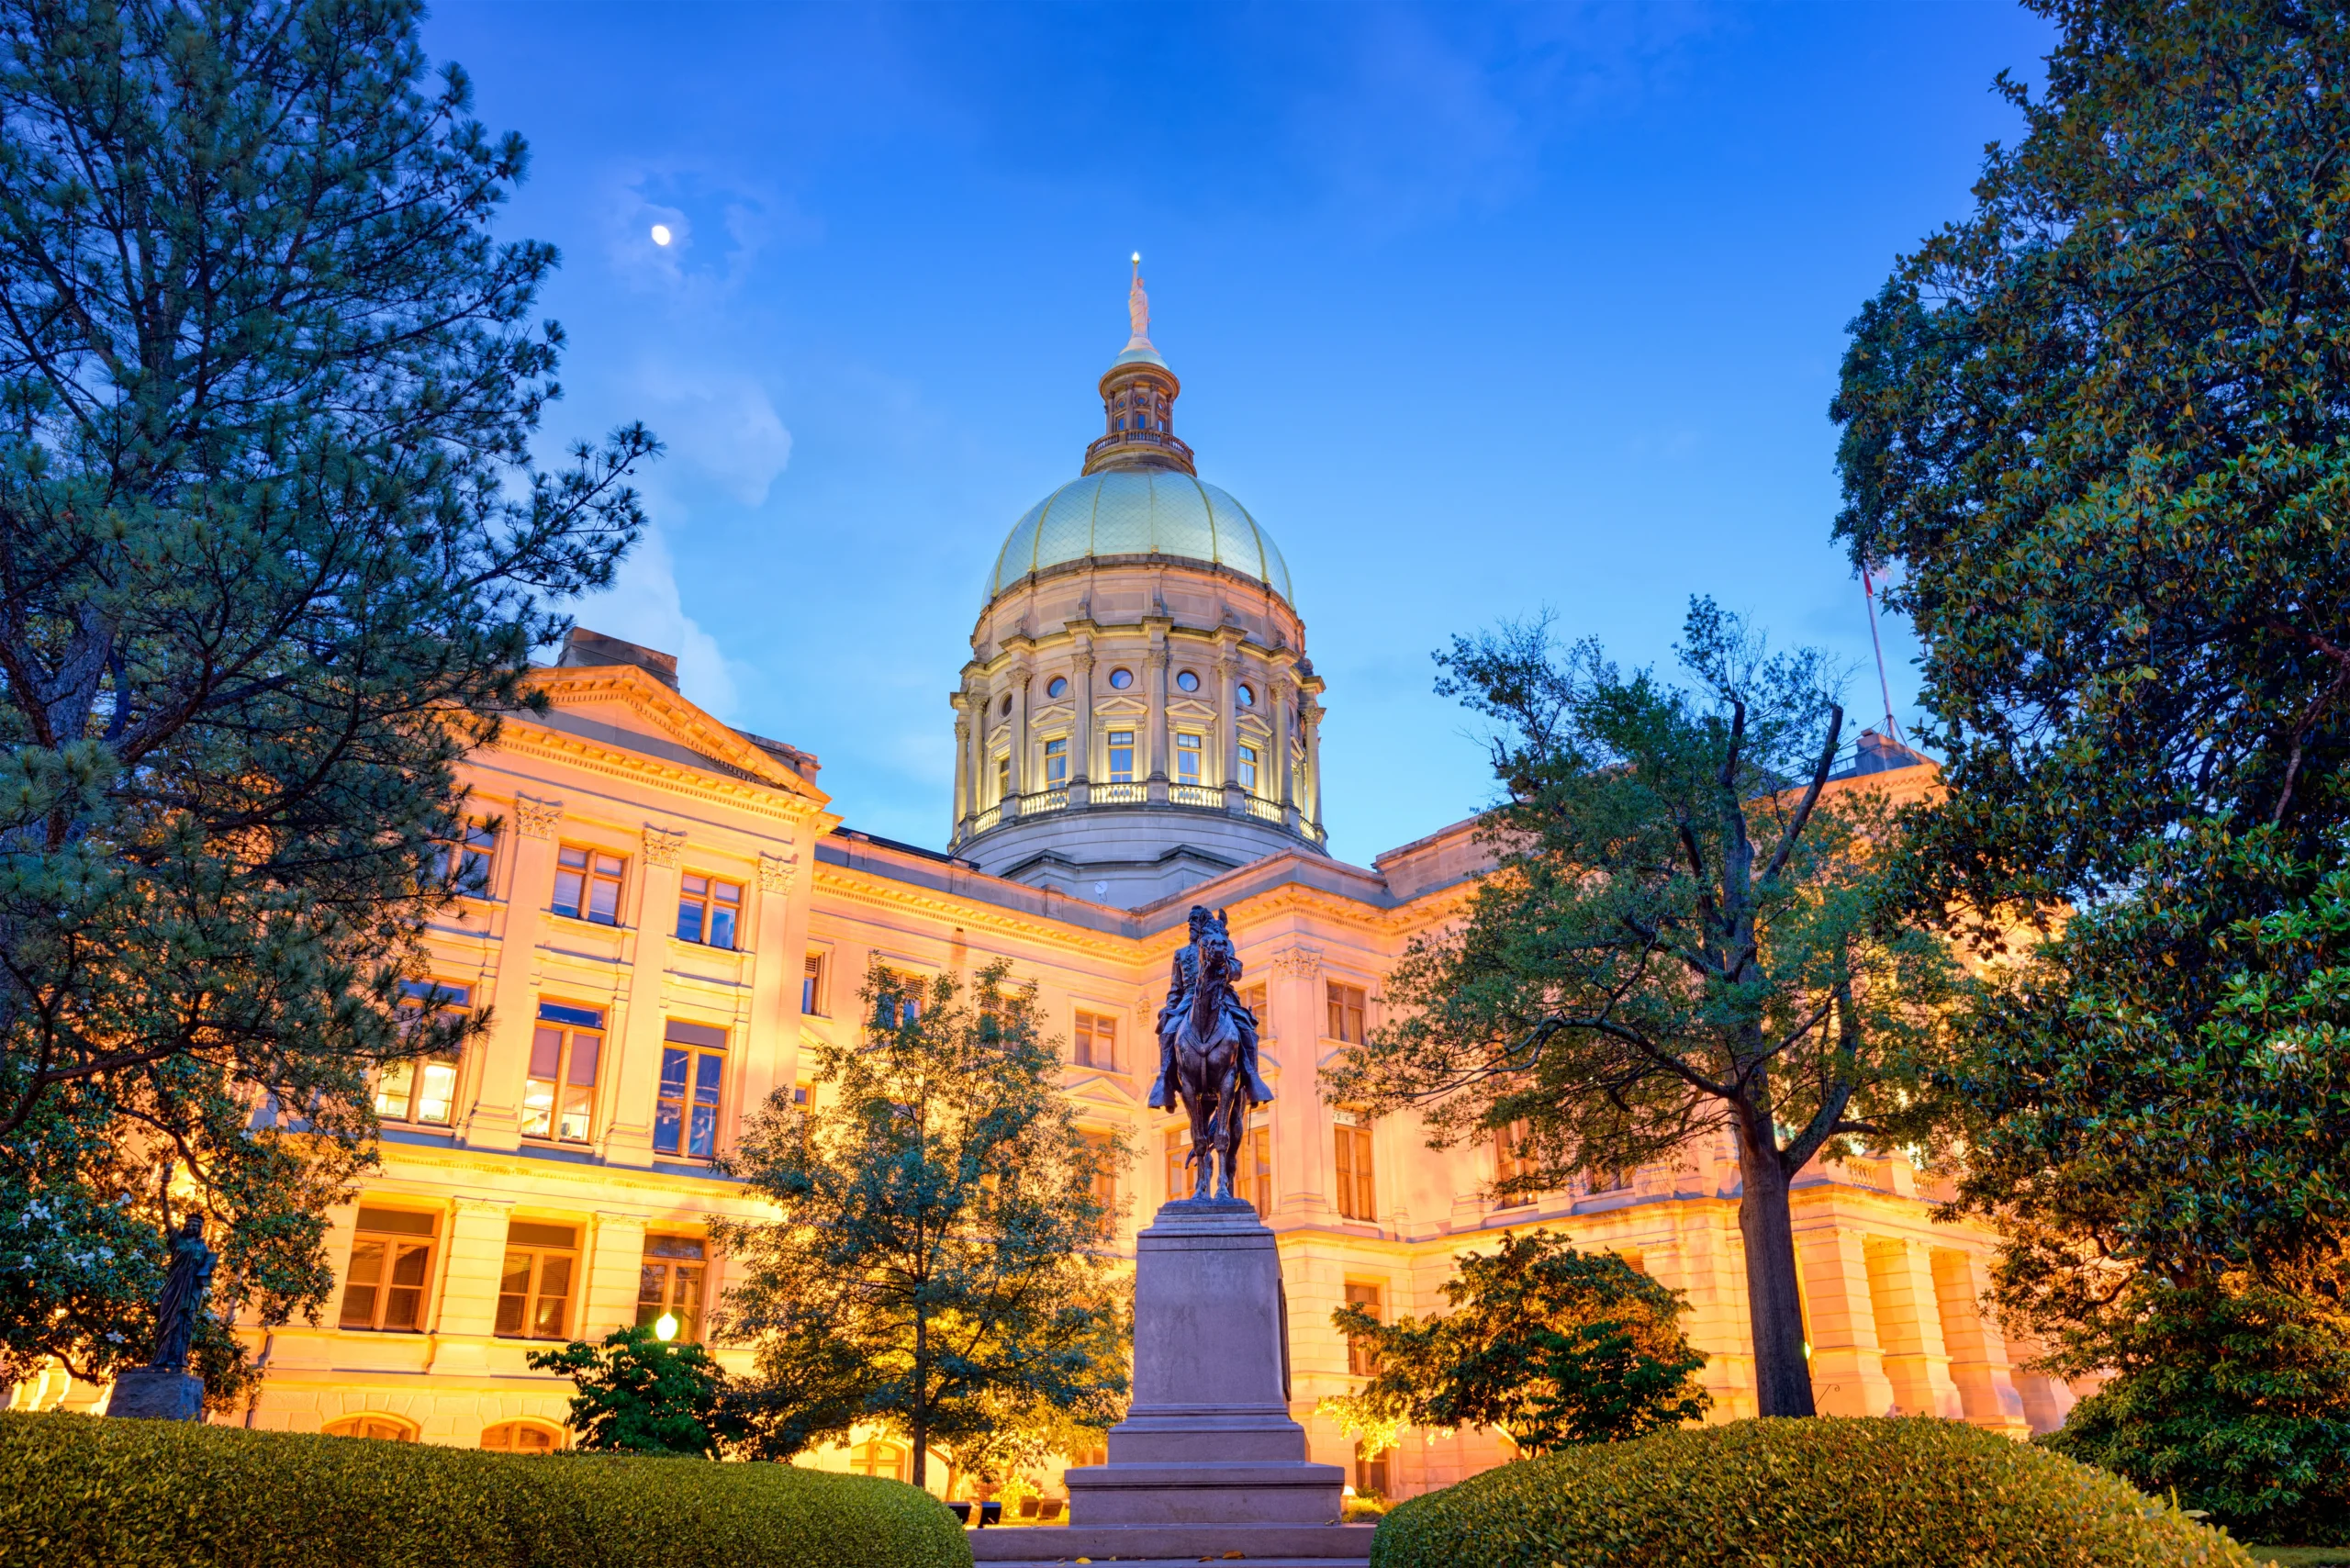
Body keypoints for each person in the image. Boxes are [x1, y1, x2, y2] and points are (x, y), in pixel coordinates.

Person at [1147, 905, 1272, 1110]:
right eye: (1190, 923)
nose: (1191, 927)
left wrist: (1222, 963)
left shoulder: (1221, 944)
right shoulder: (1181, 953)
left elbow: (1236, 971)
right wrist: (1170, 1010)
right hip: (1188, 1000)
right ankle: (1164, 1081)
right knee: (1169, 1031)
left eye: (1196, 922)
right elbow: (1175, 988)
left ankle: (1252, 1077)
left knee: (1246, 1029)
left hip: (1222, 996)